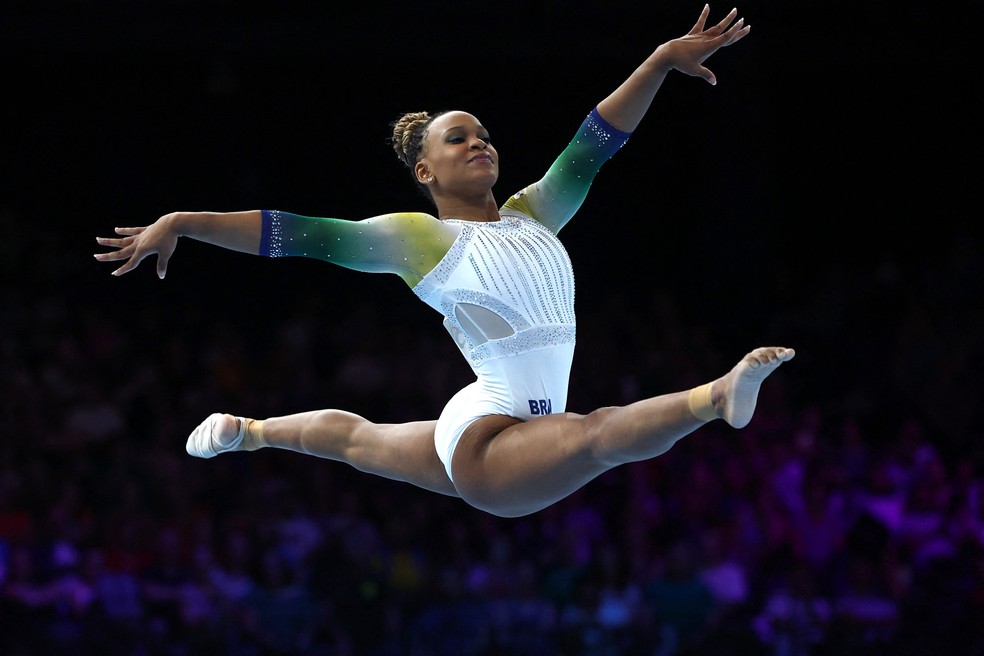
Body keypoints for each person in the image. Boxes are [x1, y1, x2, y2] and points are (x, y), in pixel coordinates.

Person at [95, 5, 794, 519]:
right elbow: (296, 234)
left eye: (484, 135)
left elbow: (595, 144)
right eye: (459, 140)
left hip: (492, 415)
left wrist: (658, 62)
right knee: (596, 435)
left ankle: (247, 433)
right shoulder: (419, 238)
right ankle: (716, 396)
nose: (479, 144)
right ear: (425, 170)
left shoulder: (533, 214)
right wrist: (183, 222)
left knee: (356, 441)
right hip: (493, 442)